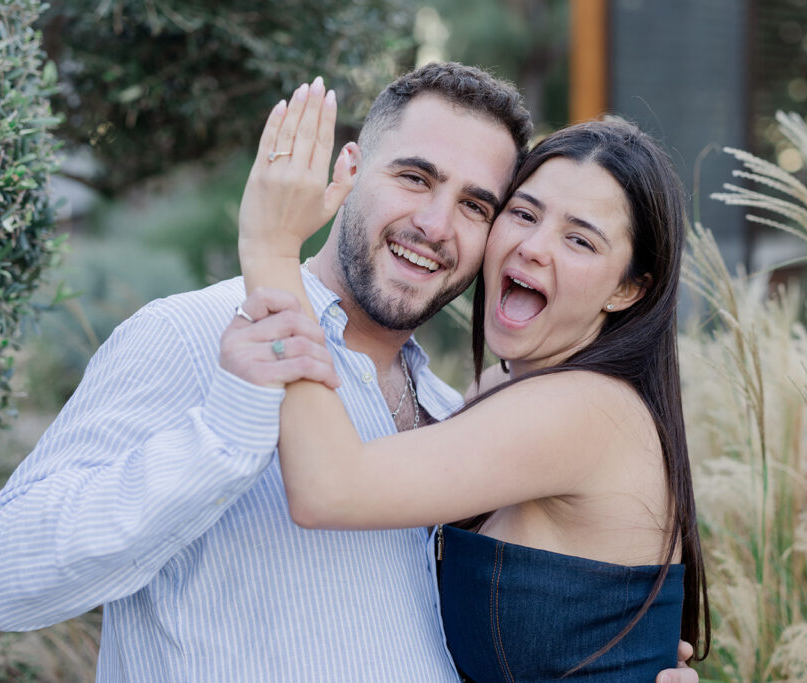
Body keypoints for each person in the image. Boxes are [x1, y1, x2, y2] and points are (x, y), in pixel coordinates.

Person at [0, 62, 699, 681]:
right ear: (347, 172)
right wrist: (224, 431)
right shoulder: (196, 335)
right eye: (415, 177)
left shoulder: (458, 413)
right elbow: (9, 581)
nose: (437, 225)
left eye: (477, 204)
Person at [231, 77, 710, 679]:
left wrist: (273, 254)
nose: (534, 247)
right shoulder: (488, 399)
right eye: (523, 213)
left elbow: (328, 486)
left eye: (580, 240)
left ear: (628, 288)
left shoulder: (587, 410)